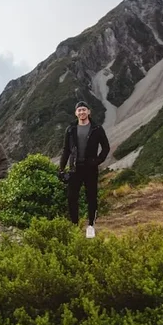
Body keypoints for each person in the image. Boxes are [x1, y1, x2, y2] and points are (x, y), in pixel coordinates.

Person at [58, 101, 109, 238]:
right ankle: (74, 224)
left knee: (91, 197)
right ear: (76, 113)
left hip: (90, 169)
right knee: (71, 197)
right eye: (79, 110)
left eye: (84, 110)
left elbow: (106, 147)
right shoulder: (70, 129)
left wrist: (97, 161)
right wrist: (61, 168)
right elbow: (66, 150)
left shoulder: (97, 128)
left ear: (89, 112)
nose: (81, 112)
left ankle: (91, 225)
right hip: (75, 168)